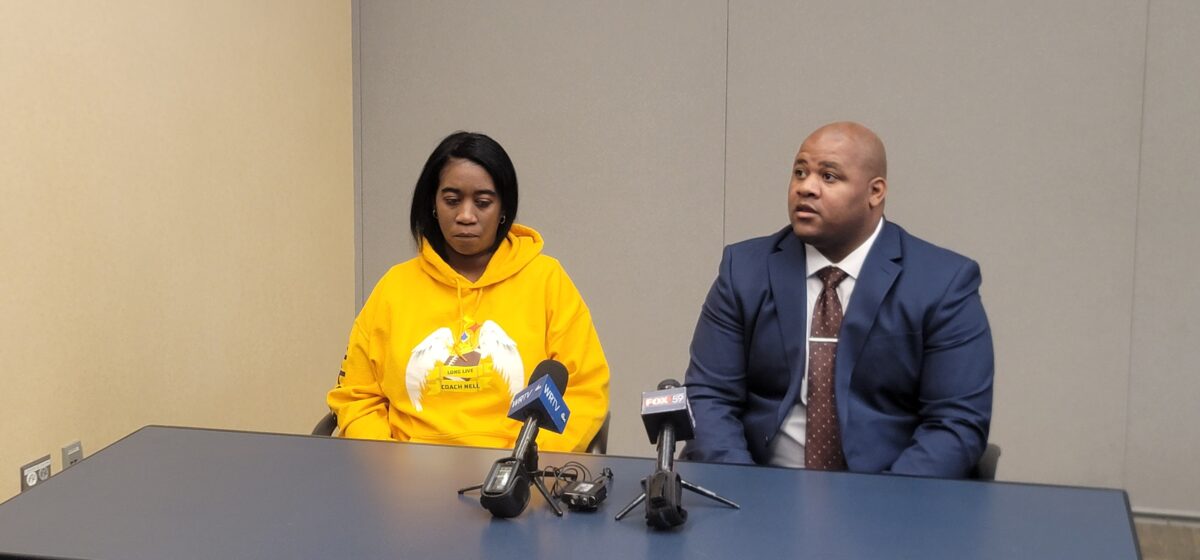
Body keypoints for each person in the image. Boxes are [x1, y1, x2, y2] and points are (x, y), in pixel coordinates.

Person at [681, 122, 993, 478]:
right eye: (800, 172)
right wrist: (745, 492)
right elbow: (709, 397)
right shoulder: (744, 271)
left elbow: (956, 423)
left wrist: (887, 505)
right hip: (764, 494)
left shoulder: (943, 283)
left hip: (891, 501)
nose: (806, 188)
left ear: (875, 192)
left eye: (828, 177)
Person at [327, 131, 609, 452]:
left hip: (516, 472)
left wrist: (529, 462)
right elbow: (357, 395)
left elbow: (583, 389)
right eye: (451, 200)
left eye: (483, 202)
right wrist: (385, 461)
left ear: (504, 208)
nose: (465, 215)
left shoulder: (548, 280)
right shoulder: (394, 287)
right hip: (404, 476)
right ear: (433, 205)